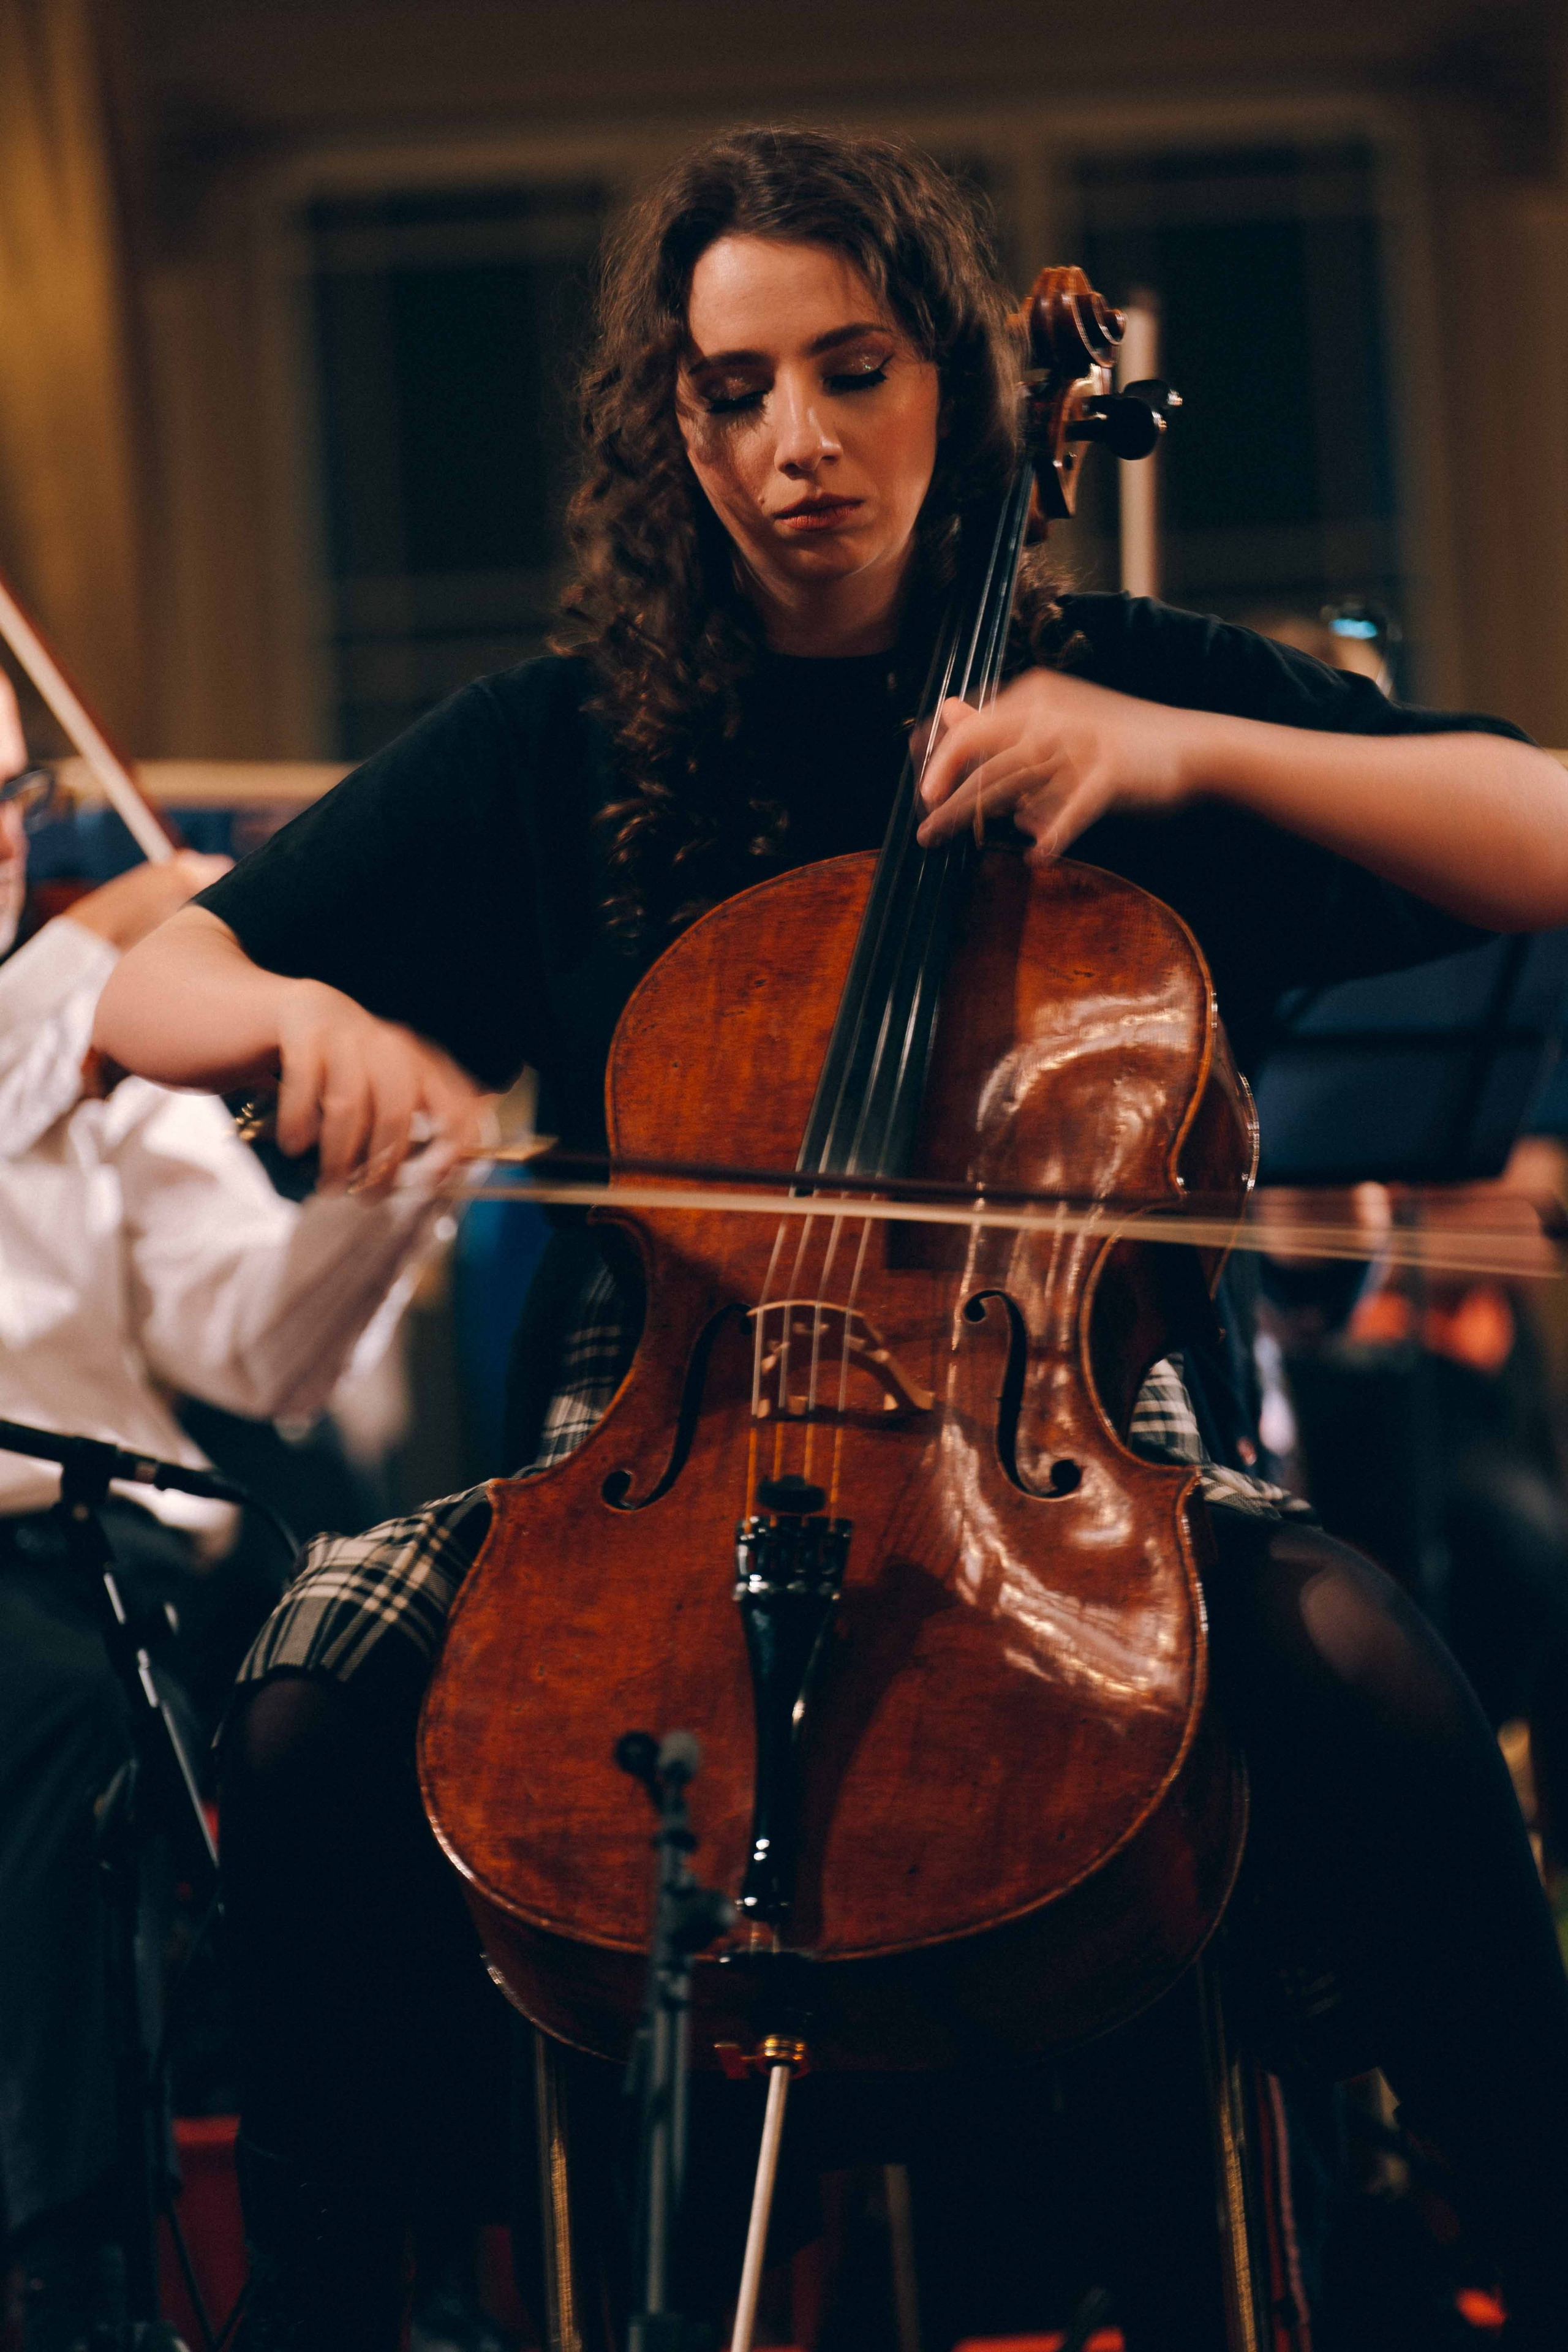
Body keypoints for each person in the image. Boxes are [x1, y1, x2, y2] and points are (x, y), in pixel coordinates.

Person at [93, 129, 1568, 2350]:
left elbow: (1545, 827)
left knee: (1375, 1675)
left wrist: (1180, 754)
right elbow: (144, 991)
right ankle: (351, 2302)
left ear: (954, 386)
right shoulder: (566, 744)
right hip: (645, 1452)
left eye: (853, 370)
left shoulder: (1110, 695)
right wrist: (296, 1009)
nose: (797, 443)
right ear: (668, 418)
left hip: (1070, 1442)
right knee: (306, 1696)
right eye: (734, 388)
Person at [0, 674, 451, 2352]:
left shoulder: (100, 1017)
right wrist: (89, 982)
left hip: (101, 1541)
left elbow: (257, 1357)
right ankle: (69, 2275)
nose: (1, 843)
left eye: (8, 790)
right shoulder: (75, 999)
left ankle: (392, 2263)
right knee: (43, 1701)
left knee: (350, 1697)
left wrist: (384, 1187)